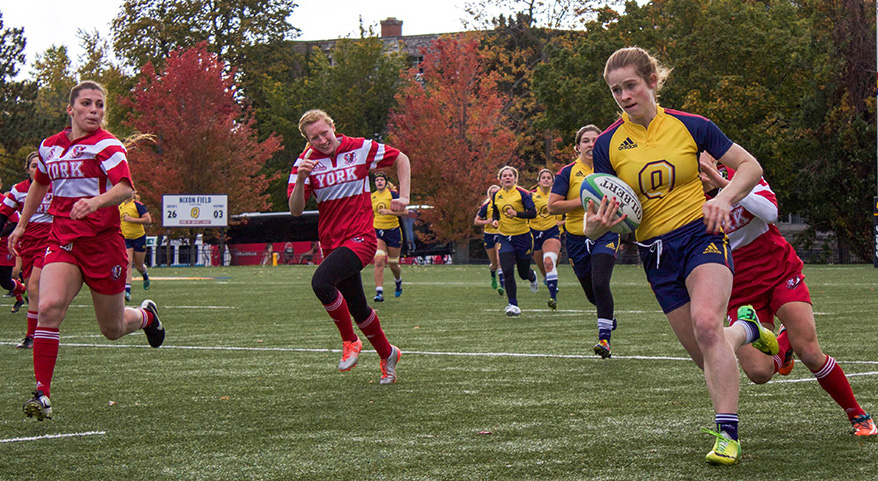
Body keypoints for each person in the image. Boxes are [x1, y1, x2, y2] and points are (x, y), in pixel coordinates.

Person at [587, 47, 778, 465]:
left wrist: (724, 197)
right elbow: (593, 223)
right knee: (715, 355)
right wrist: (597, 225)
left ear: (652, 81)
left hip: (700, 236)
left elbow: (750, 167)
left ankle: (727, 435)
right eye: (616, 90)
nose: (624, 96)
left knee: (707, 324)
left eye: (631, 85)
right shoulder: (606, 145)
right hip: (654, 254)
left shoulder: (692, 125)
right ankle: (746, 329)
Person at [10, 80, 164, 421]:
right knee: (48, 307)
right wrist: (21, 225)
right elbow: (39, 184)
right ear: (71, 109)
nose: (94, 110)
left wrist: (95, 202)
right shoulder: (50, 147)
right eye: (87, 103)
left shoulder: (107, 145)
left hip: (102, 245)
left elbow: (125, 188)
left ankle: (146, 316)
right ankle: (42, 393)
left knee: (112, 329)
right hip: (63, 240)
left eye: (99, 105)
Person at [699, 153, 876, 437]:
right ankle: (783, 344)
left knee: (810, 351)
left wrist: (724, 186)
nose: (698, 159)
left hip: (779, 270)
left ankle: (857, 414)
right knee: (759, 373)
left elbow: (770, 213)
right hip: (739, 286)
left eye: (701, 150)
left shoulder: (741, 172)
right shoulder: (686, 198)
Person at [288, 109, 409, 384]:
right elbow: (295, 210)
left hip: (362, 237)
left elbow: (401, 158)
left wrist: (404, 196)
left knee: (321, 283)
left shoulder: (360, 148)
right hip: (332, 242)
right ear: (307, 140)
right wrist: (301, 179)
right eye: (314, 137)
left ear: (333, 127)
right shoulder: (304, 163)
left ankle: (350, 341)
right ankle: (388, 354)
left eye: (324, 133)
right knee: (358, 307)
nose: (322, 140)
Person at [548, 126, 620, 358]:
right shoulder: (568, 172)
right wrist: (585, 198)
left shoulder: (611, 169)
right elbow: (552, 206)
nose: (591, 144)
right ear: (577, 147)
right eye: (586, 141)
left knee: (600, 283)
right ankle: (607, 314)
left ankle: (604, 339)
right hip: (577, 238)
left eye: (595, 140)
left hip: (606, 232)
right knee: (591, 294)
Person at [0, 152, 54, 349]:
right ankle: (35, 332)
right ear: (27, 169)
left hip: (50, 241)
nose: (38, 169)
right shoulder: (19, 190)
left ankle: (33, 335)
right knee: (33, 291)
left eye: (41, 165)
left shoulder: (56, 187)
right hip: (27, 244)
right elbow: (3, 214)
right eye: (33, 166)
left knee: (33, 287)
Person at [491, 165, 538, 316]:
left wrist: (516, 213)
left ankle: (532, 276)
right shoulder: (496, 195)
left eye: (510, 175)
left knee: (523, 273)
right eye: (504, 176)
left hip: (523, 237)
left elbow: (533, 213)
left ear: (515, 178)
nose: (507, 178)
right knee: (507, 270)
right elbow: (496, 212)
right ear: (500, 180)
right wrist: (495, 220)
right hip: (505, 237)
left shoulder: (523, 194)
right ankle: (513, 304)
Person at [530, 169, 565, 311]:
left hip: (551, 232)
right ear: (538, 181)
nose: (545, 180)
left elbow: (570, 213)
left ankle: (553, 298)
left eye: (548, 178)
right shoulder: (531, 195)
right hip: (534, 234)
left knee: (549, 262)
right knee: (544, 267)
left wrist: (562, 223)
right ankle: (547, 279)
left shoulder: (558, 195)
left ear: (552, 181)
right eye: (543, 177)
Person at [371, 172, 405, 302]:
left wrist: (388, 212)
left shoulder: (393, 195)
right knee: (379, 261)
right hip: (378, 231)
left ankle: (398, 281)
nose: (379, 182)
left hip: (393, 231)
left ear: (385, 182)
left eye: (381, 180)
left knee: (393, 263)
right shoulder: (372, 197)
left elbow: (405, 212)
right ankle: (379, 293)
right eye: (377, 180)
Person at [119, 191, 152, 301]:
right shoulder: (119, 205)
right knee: (128, 263)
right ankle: (127, 290)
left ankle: (145, 274)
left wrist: (131, 219)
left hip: (138, 238)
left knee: (139, 265)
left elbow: (148, 220)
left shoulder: (138, 205)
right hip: (125, 238)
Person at [474, 184, 504, 295]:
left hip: (501, 235)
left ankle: (502, 286)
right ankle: (493, 275)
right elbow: (476, 221)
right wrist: (487, 221)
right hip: (489, 235)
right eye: (492, 193)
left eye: (497, 192)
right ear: (489, 195)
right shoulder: (486, 206)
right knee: (494, 264)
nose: (495, 194)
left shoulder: (504, 204)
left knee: (500, 260)